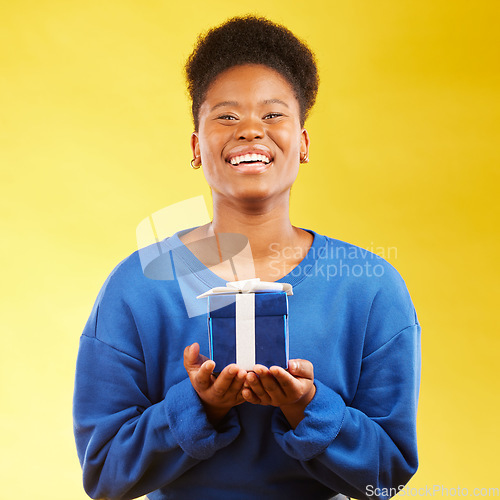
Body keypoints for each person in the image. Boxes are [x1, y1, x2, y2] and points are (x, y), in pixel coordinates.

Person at [73, 15, 420, 500]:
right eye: (227, 116)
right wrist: (200, 409)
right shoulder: (138, 284)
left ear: (302, 144)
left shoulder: (370, 287)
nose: (251, 131)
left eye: (274, 115)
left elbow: (386, 478)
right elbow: (105, 475)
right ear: (197, 147)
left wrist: (309, 410)